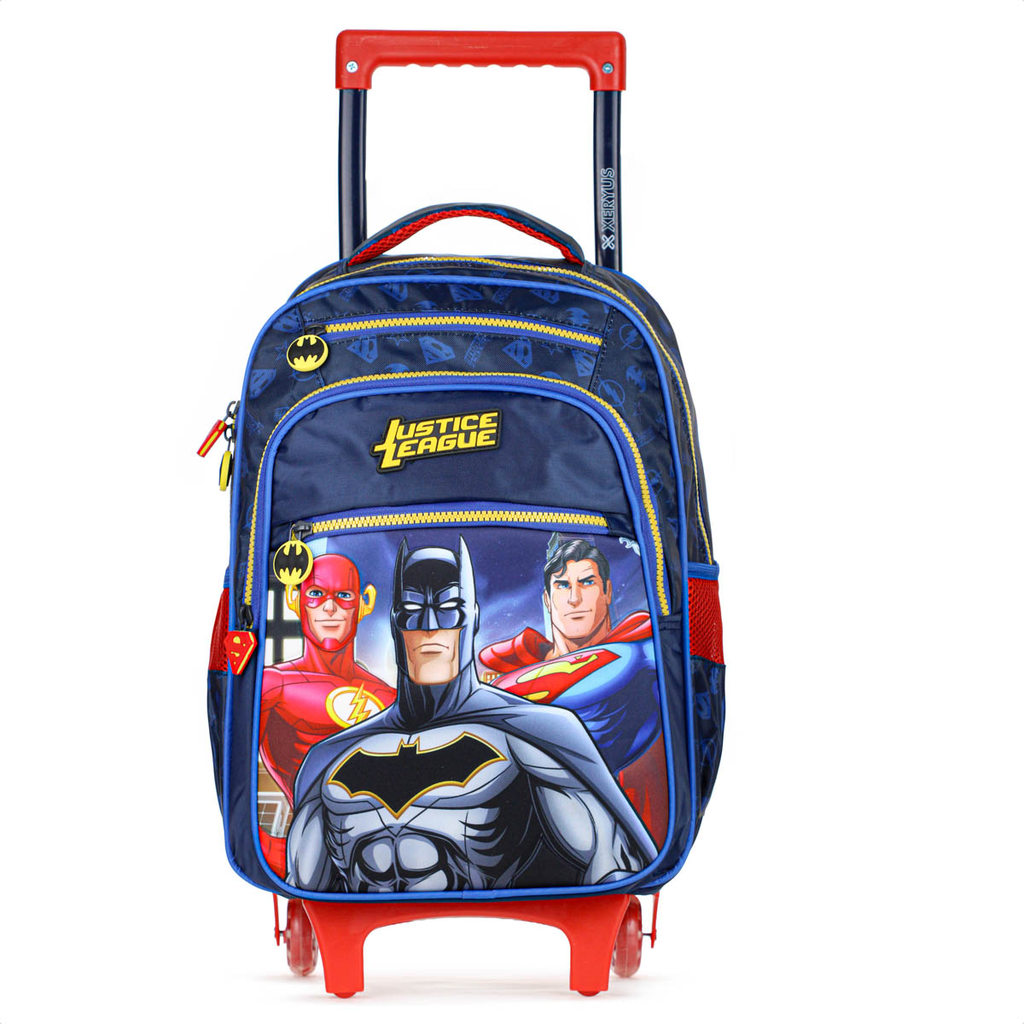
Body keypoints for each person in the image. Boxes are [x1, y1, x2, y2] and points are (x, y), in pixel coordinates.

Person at [286, 537, 656, 893]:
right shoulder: (332, 756)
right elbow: (303, 884)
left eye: (448, 608)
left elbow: (609, 865)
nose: (430, 625)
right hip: (355, 919)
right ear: (396, 623)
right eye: (412, 612)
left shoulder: (531, 734)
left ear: (472, 618)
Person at [479, 533, 668, 843]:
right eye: (563, 585)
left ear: (607, 591)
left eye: (587, 583)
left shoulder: (643, 657)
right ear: (547, 599)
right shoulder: (507, 675)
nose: (574, 599)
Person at [258, 540, 394, 875]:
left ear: (364, 603)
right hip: (307, 852)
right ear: (295, 600)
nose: (329, 608)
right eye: (316, 594)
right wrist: (272, 853)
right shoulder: (274, 685)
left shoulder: (388, 695)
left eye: (343, 596)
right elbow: (236, 772)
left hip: (388, 851)